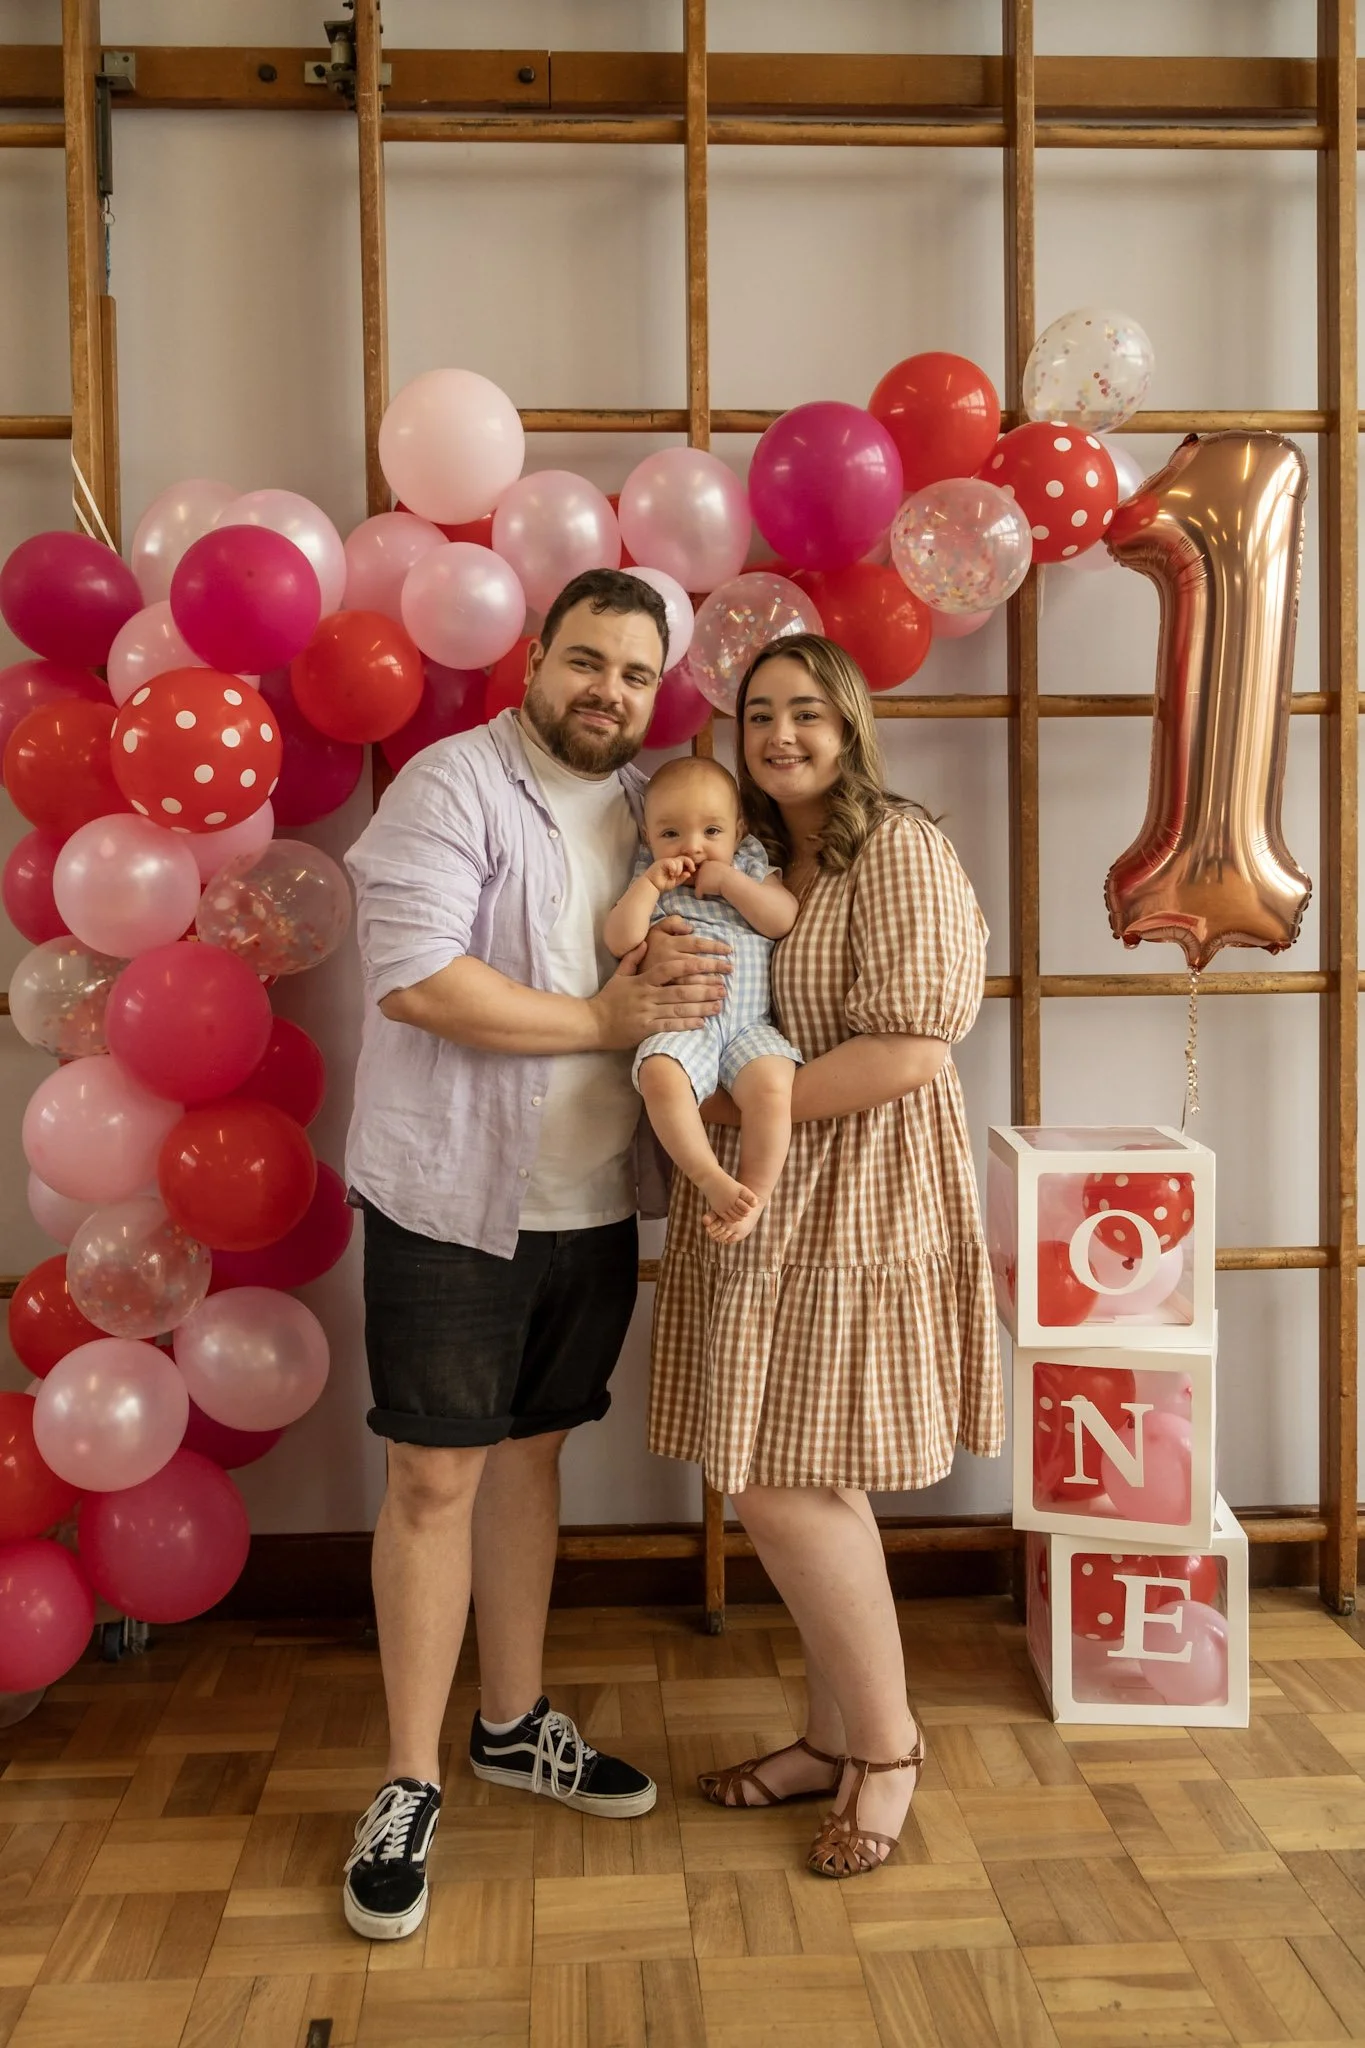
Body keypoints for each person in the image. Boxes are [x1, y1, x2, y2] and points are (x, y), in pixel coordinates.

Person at [340, 567, 728, 1941]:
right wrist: (610, 1023)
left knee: (530, 1459)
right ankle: (405, 1779)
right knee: (434, 1478)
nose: (607, 691)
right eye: (585, 662)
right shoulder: (450, 787)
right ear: (535, 660)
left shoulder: (650, 805)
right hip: (451, 1200)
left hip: (590, 1201)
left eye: (632, 673)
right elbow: (415, 977)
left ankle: (511, 1723)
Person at [649, 633, 1004, 1881]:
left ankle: (889, 1748)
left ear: (850, 725)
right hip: (783, 1182)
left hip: (866, 1174)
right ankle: (830, 1732)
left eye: (808, 713)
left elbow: (915, 1044)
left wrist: (739, 1111)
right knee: (801, 1467)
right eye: (759, 717)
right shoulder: (748, 856)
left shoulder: (896, 845)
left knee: (788, 1477)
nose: (781, 736)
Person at [604, 755, 801, 1244]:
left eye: (711, 832)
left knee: (775, 1086)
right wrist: (649, 888)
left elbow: (782, 918)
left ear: (739, 831)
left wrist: (733, 883)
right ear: (649, 837)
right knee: (658, 1076)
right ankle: (709, 1176)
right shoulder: (649, 876)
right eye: (671, 834)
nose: (692, 846)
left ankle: (754, 1195)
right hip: (685, 1023)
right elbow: (619, 939)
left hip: (750, 1024)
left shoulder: (749, 865)